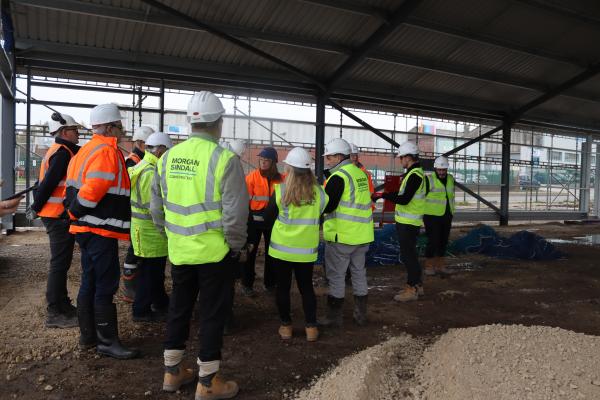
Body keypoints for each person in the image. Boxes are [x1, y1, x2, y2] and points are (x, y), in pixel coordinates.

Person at [151, 91, 248, 398]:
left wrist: (171, 234)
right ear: (218, 122)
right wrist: (236, 246)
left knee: (179, 308)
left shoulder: (167, 158)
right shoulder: (225, 159)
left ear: (191, 123)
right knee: (211, 313)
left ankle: (172, 372)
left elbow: (157, 208)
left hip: (180, 251)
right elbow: (235, 213)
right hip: (214, 253)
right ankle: (208, 383)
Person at [64, 103, 139, 359]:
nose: (121, 130)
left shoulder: (85, 150)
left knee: (90, 281)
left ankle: (89, 337)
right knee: (105, 283)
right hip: (99, 230)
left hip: (88, 229)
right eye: (118, 126)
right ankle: (107, 342)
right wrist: (75, 211)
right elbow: (92, 190)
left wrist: (74, 213)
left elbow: (73, 188)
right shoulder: (106, 151)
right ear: (109, 127)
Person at [264, 147, 327, 342]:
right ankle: (311, 329)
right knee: (306, 288)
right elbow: (321, 215)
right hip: (305, 252)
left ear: (289, 169)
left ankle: (286, 327)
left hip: (281, 250)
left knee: (282, 289)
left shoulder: (280, 191)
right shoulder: (320, 194)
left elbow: (267, 218)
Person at [28, 112, 81, 328]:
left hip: (57, 215)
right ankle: (54, 312)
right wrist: (36, 207)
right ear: (63, 132)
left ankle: (63, 304)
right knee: (59, 264)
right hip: (56, 215)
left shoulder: (63, 150)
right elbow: (48, 184)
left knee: (62, 263)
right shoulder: (61, 154)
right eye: (75, 130)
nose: (78, 133)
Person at [320, 138, 374, 327]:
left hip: (342, 237)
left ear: (337, 156)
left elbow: (328, 206)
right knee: (359, 274)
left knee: (336, 276)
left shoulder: (338, 177)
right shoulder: (359, 174)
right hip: (362, 235)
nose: (327, 161)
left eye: (329, 157)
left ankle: (334, 318)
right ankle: (360, 316)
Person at [372, 141, 428, 302]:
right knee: (411, 255)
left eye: (401, 157)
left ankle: (412, 289)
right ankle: (418, 285)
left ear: (408, 157)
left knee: (408, 256)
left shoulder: (415, 175)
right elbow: (403, 193)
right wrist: (385, 194)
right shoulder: (413, 174)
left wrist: (383, 195)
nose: (400, 161)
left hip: (408, 223)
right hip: (408, 222)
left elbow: (404, 199)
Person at [129, 132, 173, 322]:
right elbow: (154, 207)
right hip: (150, 230)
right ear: (161, 149)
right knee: (150, 273)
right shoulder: (149, 172)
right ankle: (141, 310)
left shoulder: (145, 166)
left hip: (146, 229)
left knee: (154, 271)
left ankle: (160, 302)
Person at [242, 146, 283, 296]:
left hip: (273, 220)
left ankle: (270, 283)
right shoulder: (251, 177)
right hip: (253, 220)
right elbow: (245, 200)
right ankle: (247, 284)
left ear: (273, 162)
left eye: (267, 160)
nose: (263, 163)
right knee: (250, 252)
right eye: (261, 160)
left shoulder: (281, 179)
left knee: (271, 253)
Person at [121, 125, 155, 303]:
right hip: (135, 215)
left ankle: (135, 287)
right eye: (150, 146)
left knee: (136, 250)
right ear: (141, 143)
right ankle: (130, 289)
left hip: (135, 214)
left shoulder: (135, 161)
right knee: (134, 252)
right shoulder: (134, 162)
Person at [423, 156, 454, 276]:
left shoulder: (451, 178)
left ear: (447, 169)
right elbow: (421, 197)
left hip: (446, 215)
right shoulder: (428, 180)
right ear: (435, 168)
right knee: (433, 240)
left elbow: (450, 196)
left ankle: (441, 265)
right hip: (431, 216)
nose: (441, 172)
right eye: (439, 170)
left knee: (443, 241)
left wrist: (451, 212)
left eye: (444, 170)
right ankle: (429, 266)